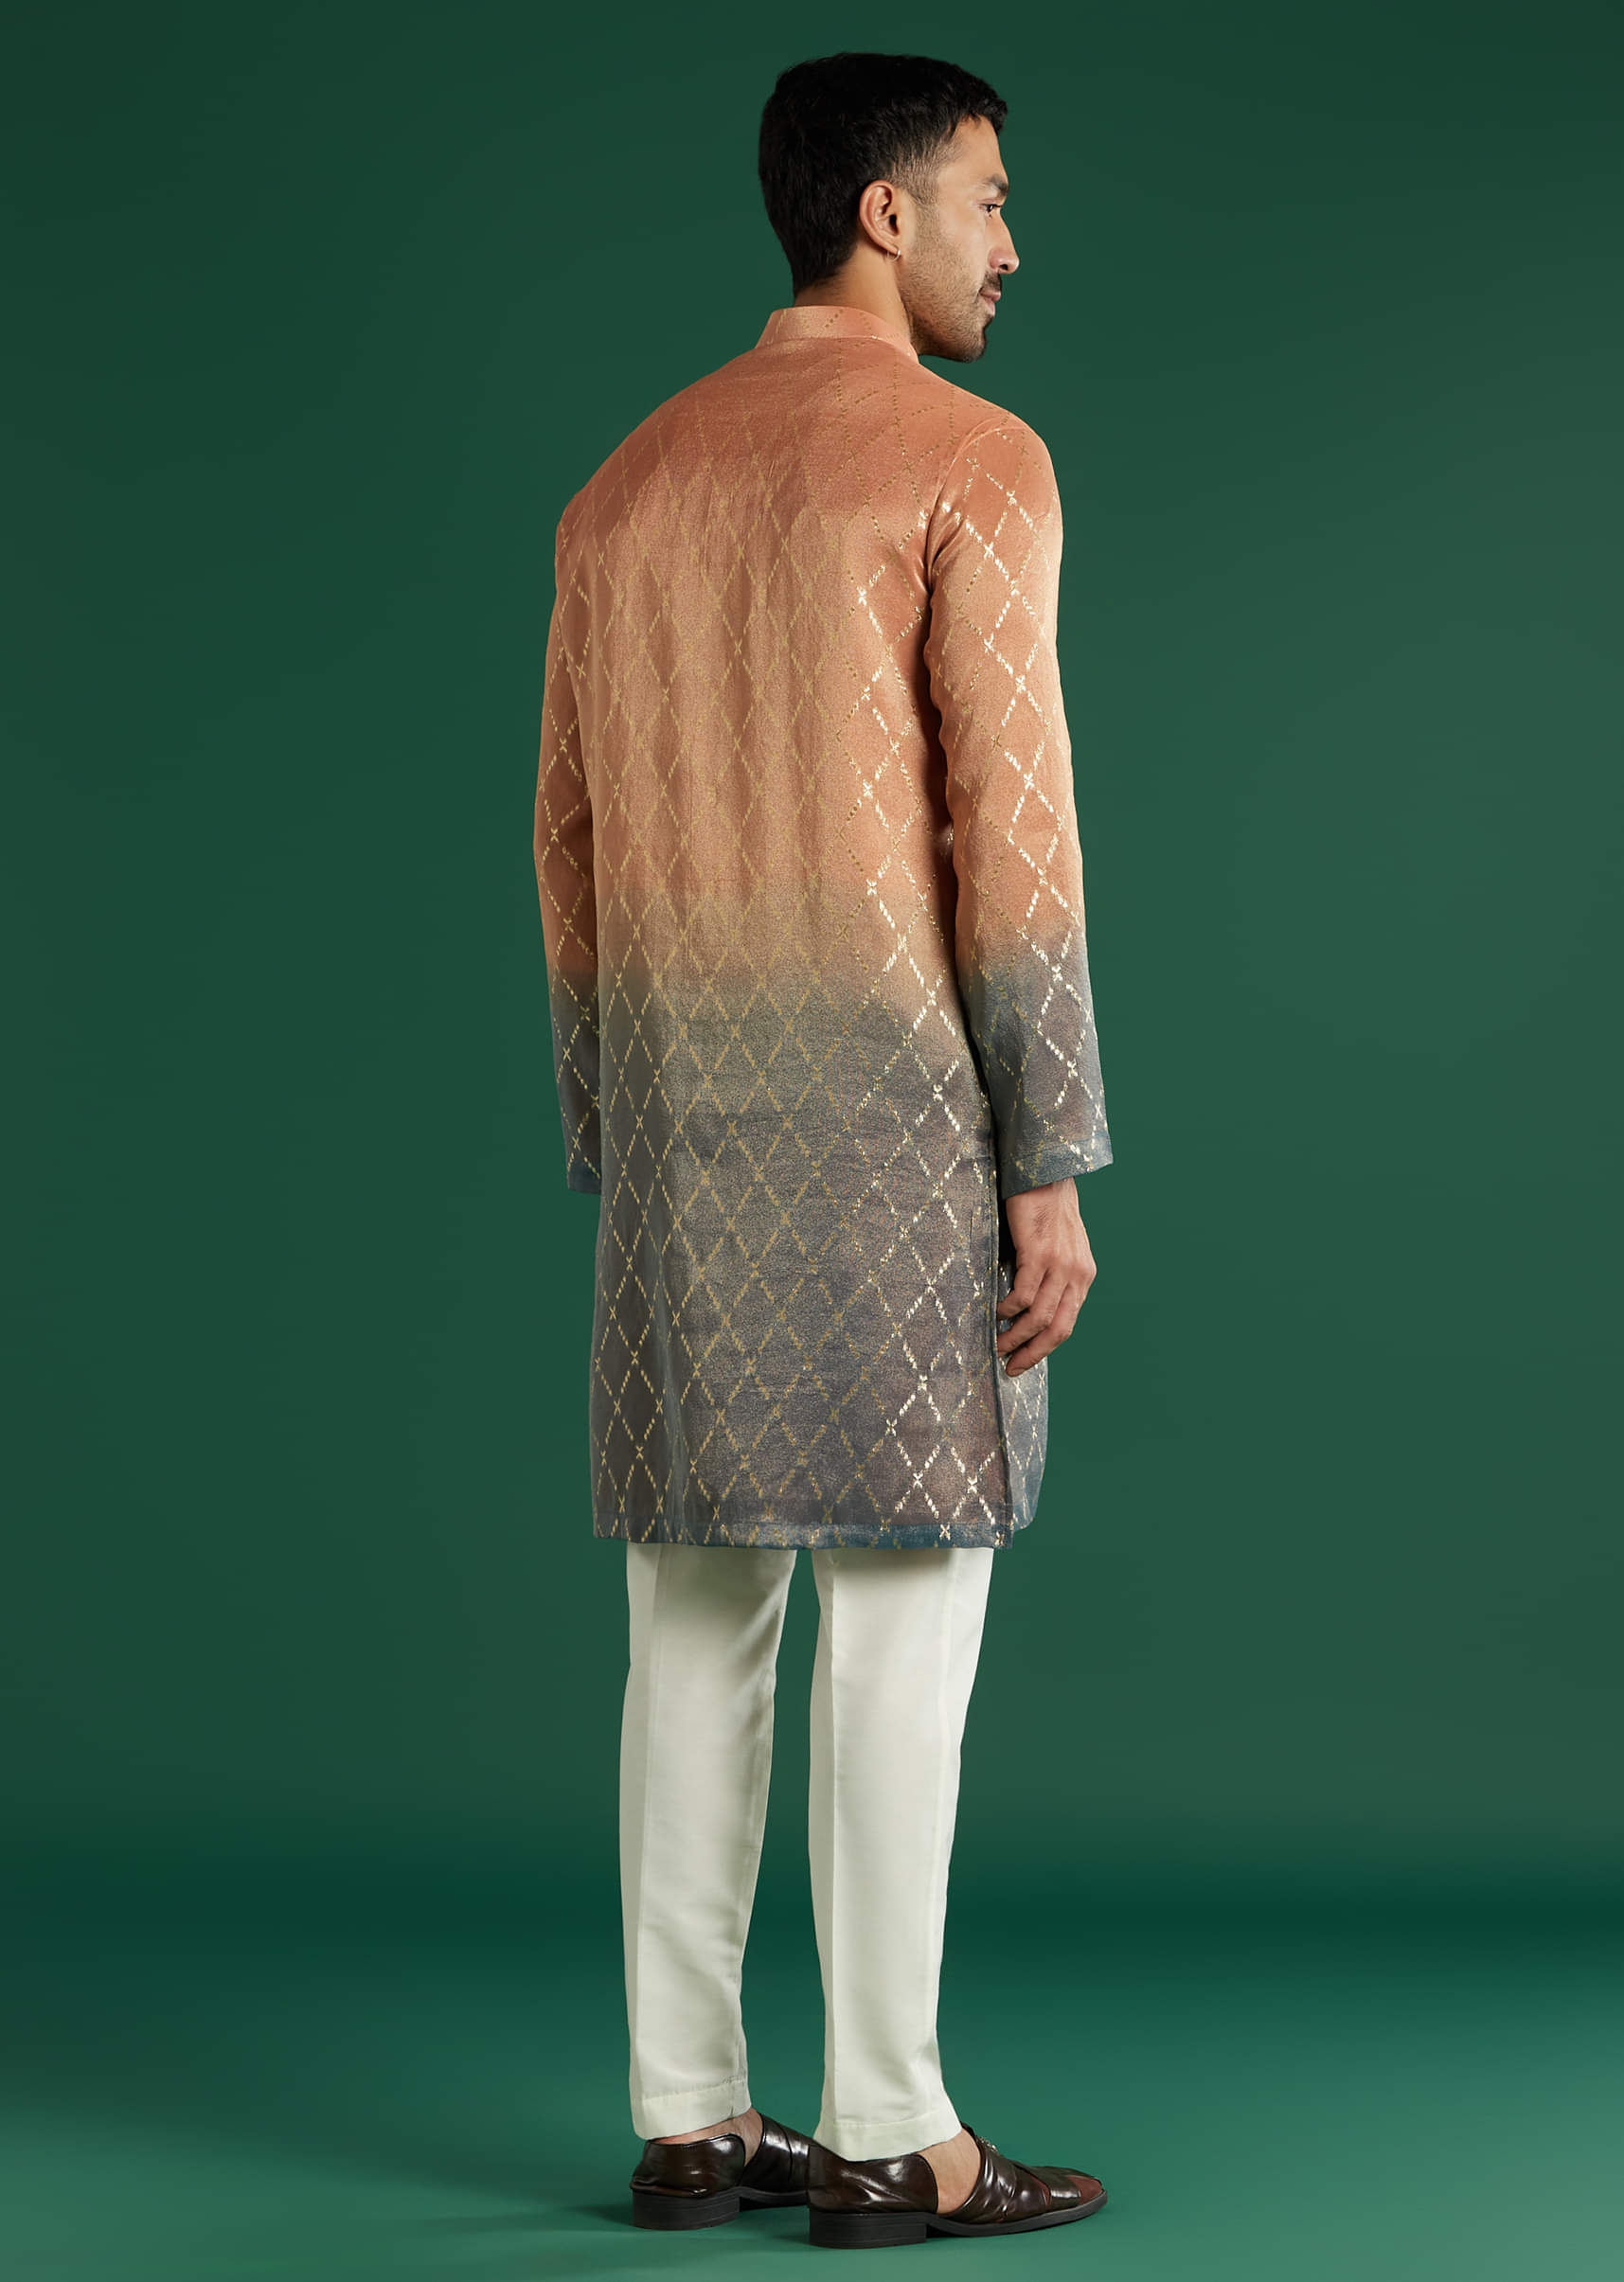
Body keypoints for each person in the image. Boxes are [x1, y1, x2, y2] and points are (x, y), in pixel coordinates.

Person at [533, 49, 1114, 2248]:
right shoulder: (971, 461)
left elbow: (565, 846)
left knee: (691, 1623)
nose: (1010, 243)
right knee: (900, 1620)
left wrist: (621, 1127)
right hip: (898, 1130)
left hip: (688, 1130)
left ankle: (691, 2114)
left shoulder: (623, 486)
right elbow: (1013, 838)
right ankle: (895, 2126)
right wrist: (1047, 1152)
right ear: (887, 211)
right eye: (989, 198)